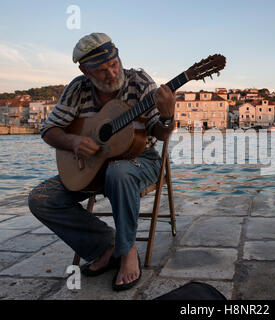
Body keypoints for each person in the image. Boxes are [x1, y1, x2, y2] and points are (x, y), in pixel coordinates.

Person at [28, 33, 176, 291]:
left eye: (114, 63)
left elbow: (160, 134)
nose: (111, 73)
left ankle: (127, 251)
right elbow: (48, 130)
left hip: (141, 161)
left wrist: (167, 116)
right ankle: (105, 248)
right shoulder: (77, 88)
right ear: (85, 71)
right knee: (41, 198)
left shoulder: (139, 83)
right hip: (95, 168)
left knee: (119, 172)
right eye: (101, 70)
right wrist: (73, 142)